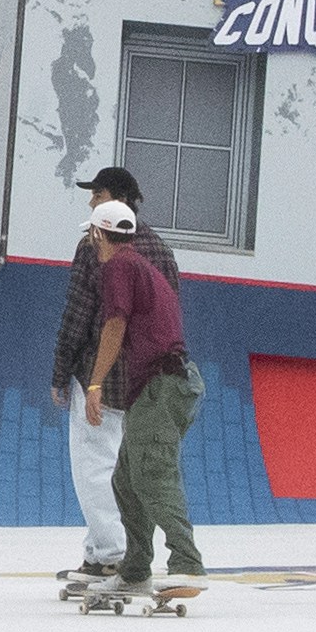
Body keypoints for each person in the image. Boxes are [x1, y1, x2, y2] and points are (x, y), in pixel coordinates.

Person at [84, 203, 204, 594]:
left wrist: (95, 384)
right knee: (126, 479)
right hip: (165, 383)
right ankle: (135, 570)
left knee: (153, 474)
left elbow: (114, 324)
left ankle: (188, 564)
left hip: (161, 384)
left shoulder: (118, 266)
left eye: (91, 234)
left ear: (98, 234)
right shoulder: (142, 266)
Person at [48, 171, 154, 590]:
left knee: (94, 466)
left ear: (119, 198)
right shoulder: (157, 246)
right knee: (126, 467)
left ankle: (112, 555)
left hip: (99, 374)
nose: (91, 202)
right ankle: (99, 551)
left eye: (98, 194)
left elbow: (79, 314)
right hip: (143, 375)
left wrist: (61, 372)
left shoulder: (93, 244)